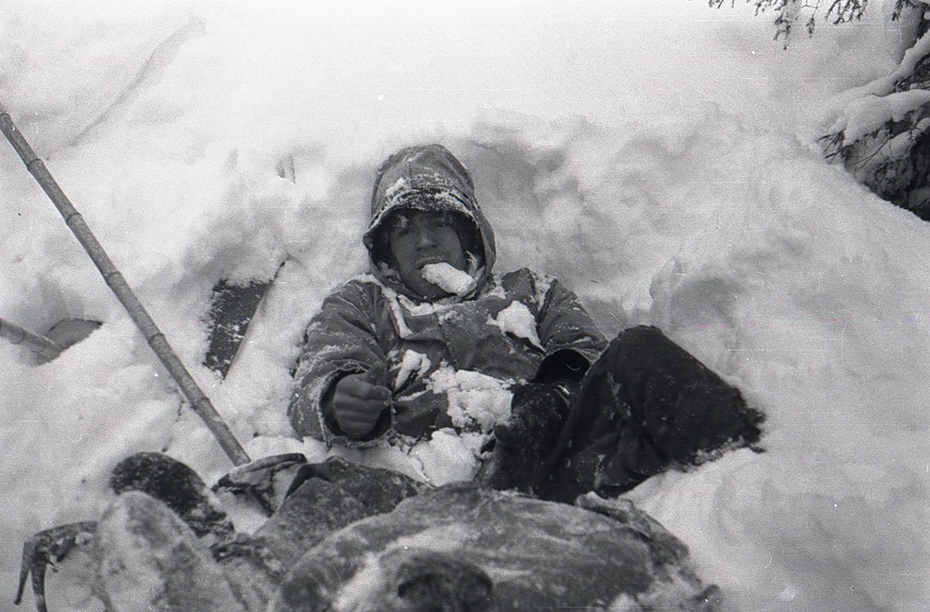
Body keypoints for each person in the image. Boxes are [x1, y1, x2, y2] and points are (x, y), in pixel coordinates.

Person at [287, 143, 763, 502]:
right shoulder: (363, 300)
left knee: (641, 352)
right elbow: (324, 366)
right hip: (425, 488)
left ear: (468, 230)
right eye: (404, 230)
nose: (424, 241)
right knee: (318, 495)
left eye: (438, 223)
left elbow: (589, 354)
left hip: (554, 461)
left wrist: (552, 399)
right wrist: (337, 398)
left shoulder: (531, 290)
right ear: (385, 251)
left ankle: (749, 492)